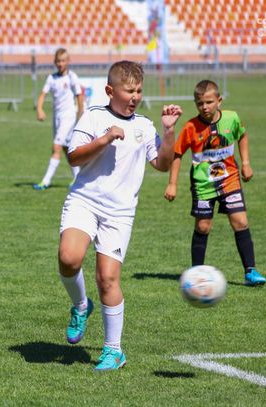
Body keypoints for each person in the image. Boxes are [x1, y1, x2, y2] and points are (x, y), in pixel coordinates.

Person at [57, 61, 182, 371]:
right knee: (69, 259)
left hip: (120, 213)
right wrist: (104, 139)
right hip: (85, 201)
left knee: (107, 278)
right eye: (129, 91)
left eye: (139, 91)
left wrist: (168, 132)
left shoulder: (145, 126)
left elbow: (163, 164)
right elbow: (73, 156)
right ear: (110, 91)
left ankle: (113, 351)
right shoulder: (94, 116)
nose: (135, 96)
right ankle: (81, 306)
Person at [164, 80, 266, 286]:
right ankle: (196, 274)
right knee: (203, 227)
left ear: (219, 100)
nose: (205, 107)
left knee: (240, 222)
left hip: (229, 179)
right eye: (200, 103)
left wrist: (246, 163)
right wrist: (172, 183)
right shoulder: (191, 127)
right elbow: (177, 153)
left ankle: (250, 271)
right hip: (203, 184)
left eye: (209, 102)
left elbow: (242, 136)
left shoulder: (232, 118)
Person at [33, 48, 84, 190]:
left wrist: (80, 115)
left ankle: (45, 182)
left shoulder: (72, 77)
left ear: (68, 61)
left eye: (63, 61)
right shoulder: (52, 78)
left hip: (68, 116)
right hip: (57, 117)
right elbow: (43, 94)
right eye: (58, 61)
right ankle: (78, 178)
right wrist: (39, 109)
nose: (60, 64)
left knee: (56, 146)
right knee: (67, 148)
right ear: (55, 62)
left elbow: (79, 96)